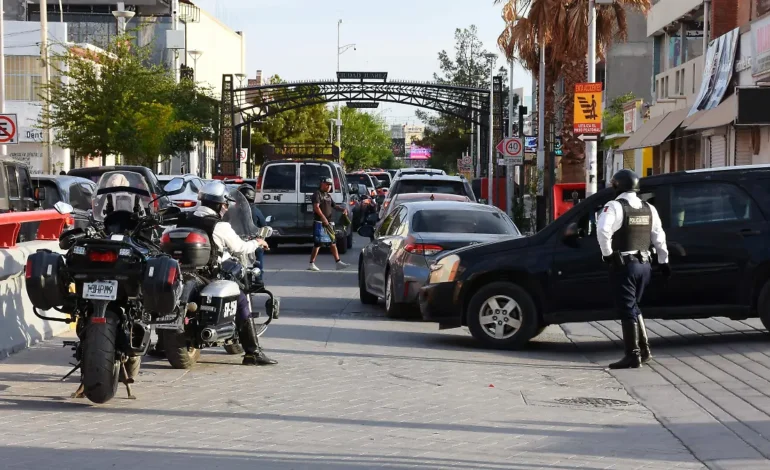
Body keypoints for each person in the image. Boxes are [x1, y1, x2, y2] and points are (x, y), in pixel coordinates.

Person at [176, 181, 277, 366]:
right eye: (224, 204)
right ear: (218, 204)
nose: (225, 208)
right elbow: (240, 247)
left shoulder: (184, 219)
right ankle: (253, 352)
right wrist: (258, 243)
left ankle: (161, 346)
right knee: (240, 298)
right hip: (209, 275)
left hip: (183, 272)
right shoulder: (219, 226)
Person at [597, 169, 671, 370]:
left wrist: (607, 254)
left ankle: (632, 355)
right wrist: (664, 261)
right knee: (634, 306)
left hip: (625, 265)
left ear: (617, 186)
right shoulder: (648, 208)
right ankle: (644, 350)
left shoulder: (614, 206)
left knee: (627, 309)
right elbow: (659, 237)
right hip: (645, 265)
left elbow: (603, 231)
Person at [309, 177, 349, 272]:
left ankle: (338, 262)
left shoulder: (328, 195)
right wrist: (323, 218)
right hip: (320, 223)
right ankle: (311, 263)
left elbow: (334, 206)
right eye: (327, 184)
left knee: (333, 242)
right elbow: (316, 207)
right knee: (318, 244)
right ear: (322, 184)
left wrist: (342, 209)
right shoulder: (317, 194)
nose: (328, 186)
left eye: (330, 185)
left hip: (329, 223)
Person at [237, 184, 267, 279]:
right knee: (259, 259)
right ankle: (258, 281)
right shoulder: (256, 211)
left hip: (239, 242)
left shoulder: (234, 210)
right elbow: (264, 225)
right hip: (254, 241)